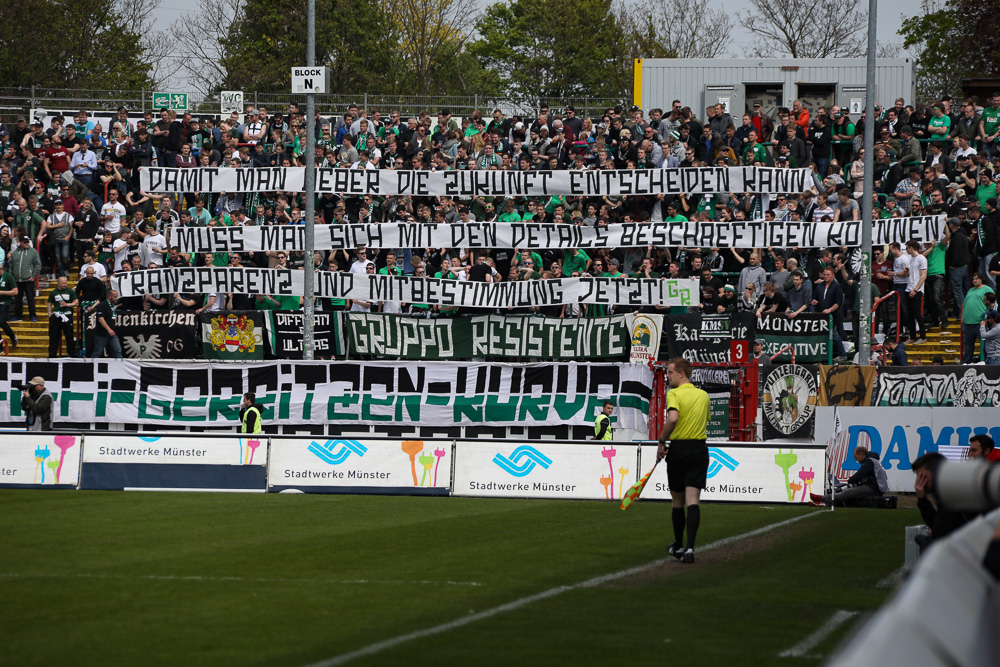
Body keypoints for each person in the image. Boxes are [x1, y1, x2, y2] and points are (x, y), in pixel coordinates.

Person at [657, 357, 710, 564]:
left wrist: (661, 441)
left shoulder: (674, 394)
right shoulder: (704, 395)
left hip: (679, 449)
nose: (667, 376)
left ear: (682, 374)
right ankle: (689, 549)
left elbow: (673, 418)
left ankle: (678, 545)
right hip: (699, 449)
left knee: (678, 501)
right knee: (693, 500)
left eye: (670, 372)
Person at [811, 446, 882, 506]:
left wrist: (850, 481)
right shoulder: (871, 460)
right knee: (847, 493)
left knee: (849, 492)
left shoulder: (869, 461)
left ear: (861, 454)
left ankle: (821, 499)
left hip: (874, 487)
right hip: (872, 486)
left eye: (856, 457)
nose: (855, 460)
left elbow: (860, 474)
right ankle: (825, 503)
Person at [10, 236, 40, 322]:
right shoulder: (15, 252)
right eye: (25, 242)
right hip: (17, 280)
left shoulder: (33, 252)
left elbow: (38, 265)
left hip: (28, 280)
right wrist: (12, 276)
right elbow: (11, 264)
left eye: (28, 241)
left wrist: (33, 276)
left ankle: (33, 316)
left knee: (30, 298)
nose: (27, 243)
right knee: (18, 299)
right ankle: (18, 316)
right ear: (20, 243)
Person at [47, 275, 78, 357]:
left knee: (69, 336)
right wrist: (50, 314)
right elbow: (49, 303)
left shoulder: (70, 291)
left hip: (67, 315)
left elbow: (76, 302)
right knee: (53, 336)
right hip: (56, 315)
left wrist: (67, 304)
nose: (65, 285)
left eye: (65, 283)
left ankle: (71, 353)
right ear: (58, 283)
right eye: (63, 283)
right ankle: (52, 354)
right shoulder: (53, 292)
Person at [91, 290, 122, 359]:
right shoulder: (102, 305)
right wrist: (109, 330)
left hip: (112, 333)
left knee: (118, 351)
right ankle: (90, 367)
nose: (117, 298)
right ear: (110, 296)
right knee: (98, 352)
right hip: (102, 334)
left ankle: (120, 368)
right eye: (115, 297)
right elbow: (101, 319)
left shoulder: (112, 305)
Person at [0, 264, 18, 348]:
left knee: (1, 322)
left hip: (4, 302)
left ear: (1, 269)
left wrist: (2, 292)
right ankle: (0, 346)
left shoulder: (9, 277)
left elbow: (15, 291)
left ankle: (12, 336)